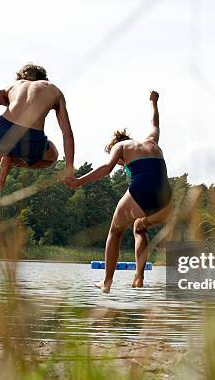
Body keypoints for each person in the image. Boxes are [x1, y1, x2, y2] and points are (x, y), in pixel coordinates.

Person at [66, 91, 172, 293]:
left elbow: (106, 169)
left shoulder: (121, 146)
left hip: (142, 189)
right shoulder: (151, 141)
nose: (122, 166)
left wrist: (79, 182)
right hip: (165, 198)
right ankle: (139, 278)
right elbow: (155, 122)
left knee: (115, 231)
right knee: (139, 227)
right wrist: (154, 101)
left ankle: (106, 283)